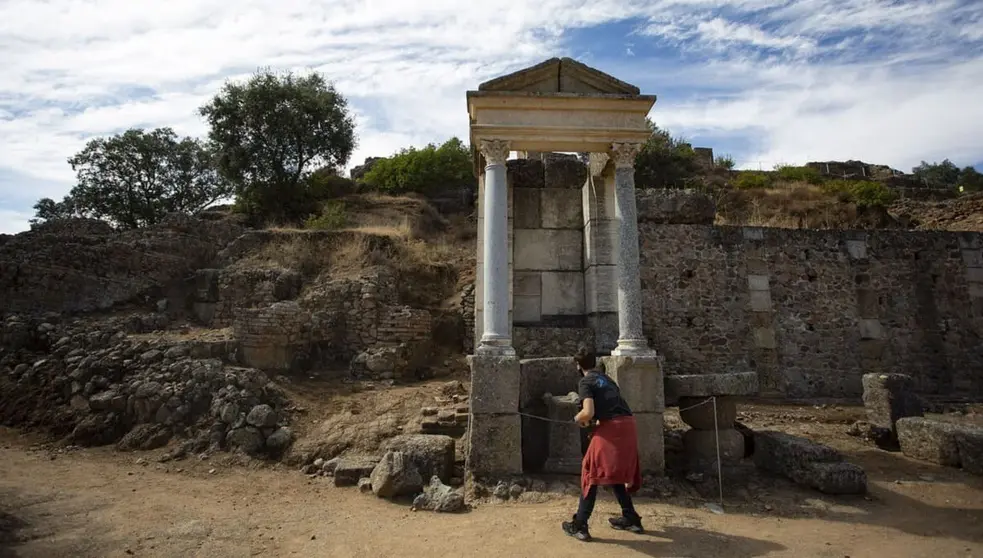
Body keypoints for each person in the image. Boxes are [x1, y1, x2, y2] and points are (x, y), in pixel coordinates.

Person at [562, 350, 644, 542]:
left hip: (612, 428)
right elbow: (610, 408)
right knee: (614, 471)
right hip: (628, 425)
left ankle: (580, 524)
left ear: (578, 365)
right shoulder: (607, 379)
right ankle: (630, 518)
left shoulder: (585, 382)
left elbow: (588, 412)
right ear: (595, 362)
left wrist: (577, 418)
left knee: (590, 471)